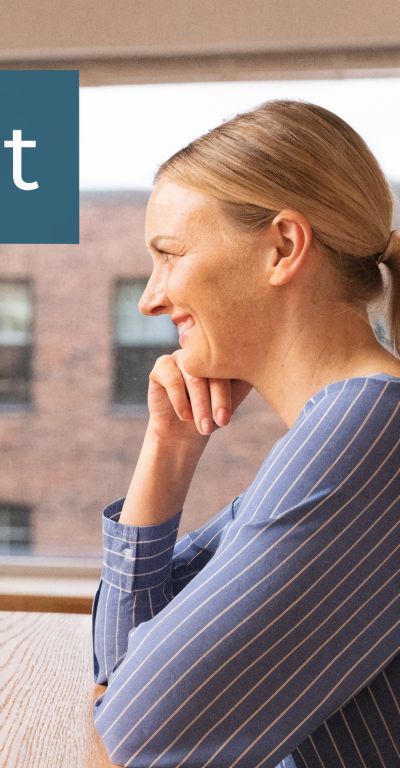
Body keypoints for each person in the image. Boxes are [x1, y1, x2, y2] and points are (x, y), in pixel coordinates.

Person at [90, 100, 400, 768]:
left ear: (284, 247)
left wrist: (126, 696)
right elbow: (118, 676)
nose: (150, 297)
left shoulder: (368, 432)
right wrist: (168, 448)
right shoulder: (346, 428)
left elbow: (137, 733)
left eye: (169, 255)